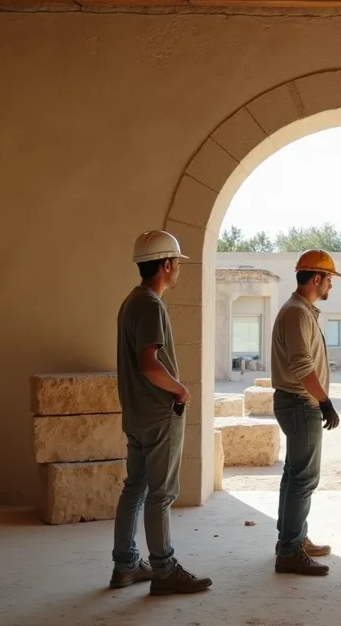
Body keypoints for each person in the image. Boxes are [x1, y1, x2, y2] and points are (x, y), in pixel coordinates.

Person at [109, 230, 212, 596]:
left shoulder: (130, 302)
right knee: (161, 494)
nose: (178, 270)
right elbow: (150, 364)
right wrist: (181, 389)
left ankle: (125, 565)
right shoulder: (151, 305)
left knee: (134, 489)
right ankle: (164, 569)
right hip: (157, 412)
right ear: (167, 265)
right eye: (177, 264)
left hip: (136, 413)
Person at [269, 250, 341, 576]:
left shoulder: (300, 311)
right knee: (303, 478)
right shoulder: (297, 313)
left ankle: (293, 539)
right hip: (301, 403)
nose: (331, 285)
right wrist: (324, 401)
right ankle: (289, 550)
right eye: (329, 279)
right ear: (316, 278)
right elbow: (302, 366)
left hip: (296, 402)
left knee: (293, 474)